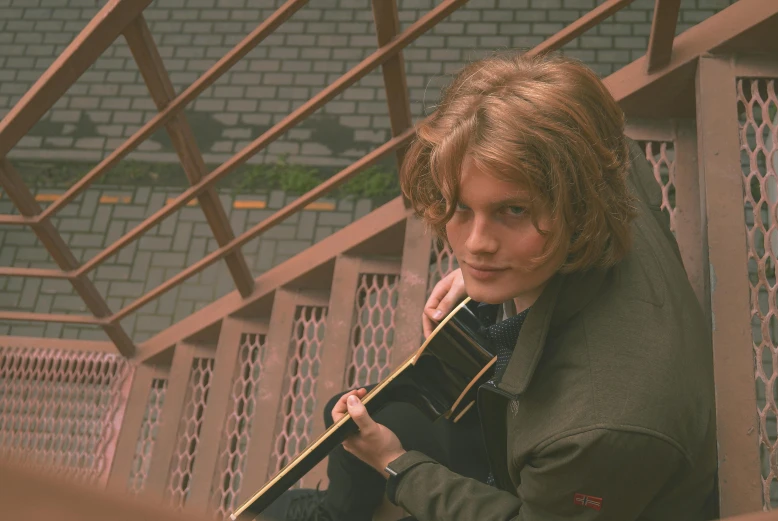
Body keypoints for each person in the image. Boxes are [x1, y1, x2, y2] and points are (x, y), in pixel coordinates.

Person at [262, 51, 717, 521]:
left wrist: (397, 466)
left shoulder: (595, 430)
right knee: (352, 421)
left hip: (583, 480)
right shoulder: (599, 157)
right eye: (461, 207)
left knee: (371, 437)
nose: (474, 245)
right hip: (543, 424)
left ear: (581, 207)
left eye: (512, 211)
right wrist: (496, 274)